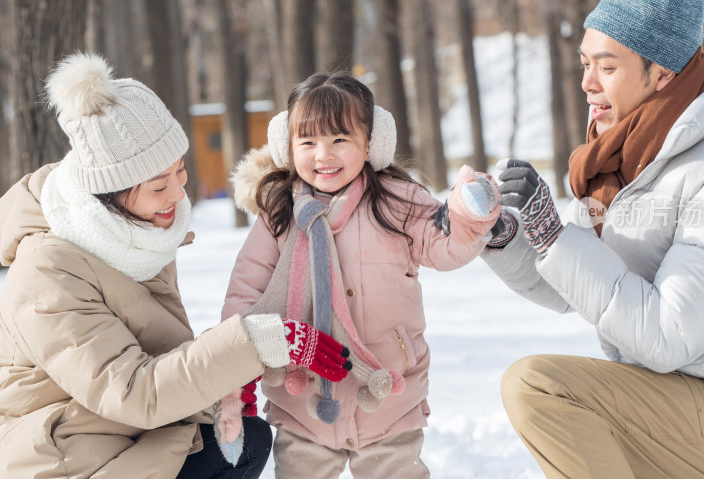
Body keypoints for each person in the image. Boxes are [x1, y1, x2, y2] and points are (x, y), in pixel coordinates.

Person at [482, 0, 704, 478]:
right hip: (696, 397)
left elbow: (667, 336)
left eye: (607, 67)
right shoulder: (630, 160)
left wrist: (553, 234)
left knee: (538, 386)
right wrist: (507, 235)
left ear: (662, 74)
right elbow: (575, 286)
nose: (588, 83)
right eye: (584, 63)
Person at [0, 52, 350, 479]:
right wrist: (249, 346)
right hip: (68, 455)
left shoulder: (133, 234)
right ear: (108, 195)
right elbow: (132, 390)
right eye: (158, 185)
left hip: (122, 430)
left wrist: (225, 381)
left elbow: (153, 360)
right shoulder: (47, 272)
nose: (177, 193)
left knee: (246, 441)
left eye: (180, 171)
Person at [218, 71, 502, 478]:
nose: (323, 155)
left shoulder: (396, 202)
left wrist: (467, 216)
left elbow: (444, 245)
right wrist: (232, 365)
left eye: (339, 140)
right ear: (287, 146)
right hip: (303, 405)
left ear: (370, 143)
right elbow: (245, 293)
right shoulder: (279, 215)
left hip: (388, 396)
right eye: (308, 142)